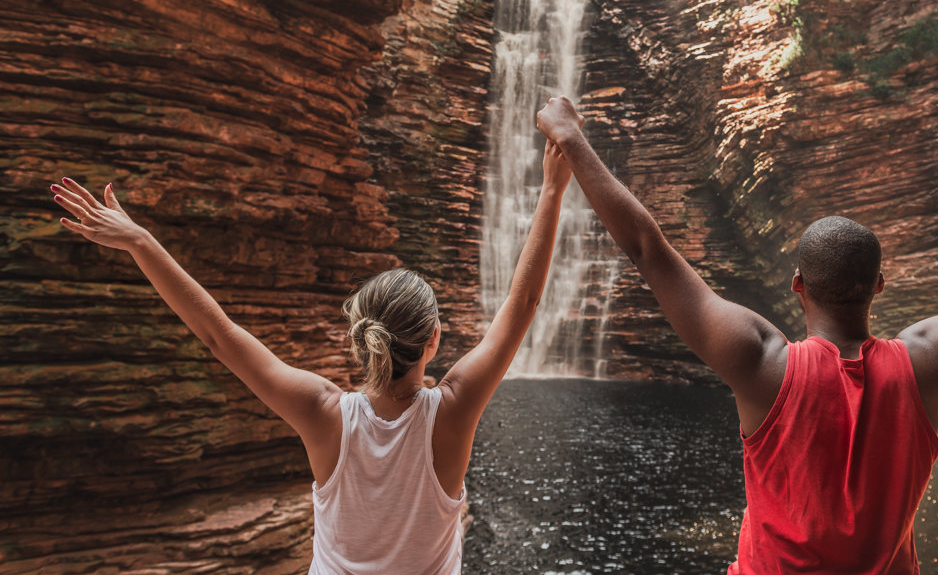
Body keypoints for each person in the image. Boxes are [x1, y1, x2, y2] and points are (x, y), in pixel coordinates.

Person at [535, 95, 938, 574]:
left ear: (797, 285)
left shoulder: (764, 363)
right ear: (880, 285)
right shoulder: (927, 363)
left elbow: (649, 249)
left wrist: (571, 135)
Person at [50, 140, 575, 575]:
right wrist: (552, 188)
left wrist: (141, 241)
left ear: (359, 336)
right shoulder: (452, 411)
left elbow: (218, 334)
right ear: (434, 340)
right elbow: (523, 303)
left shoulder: (325, 413)